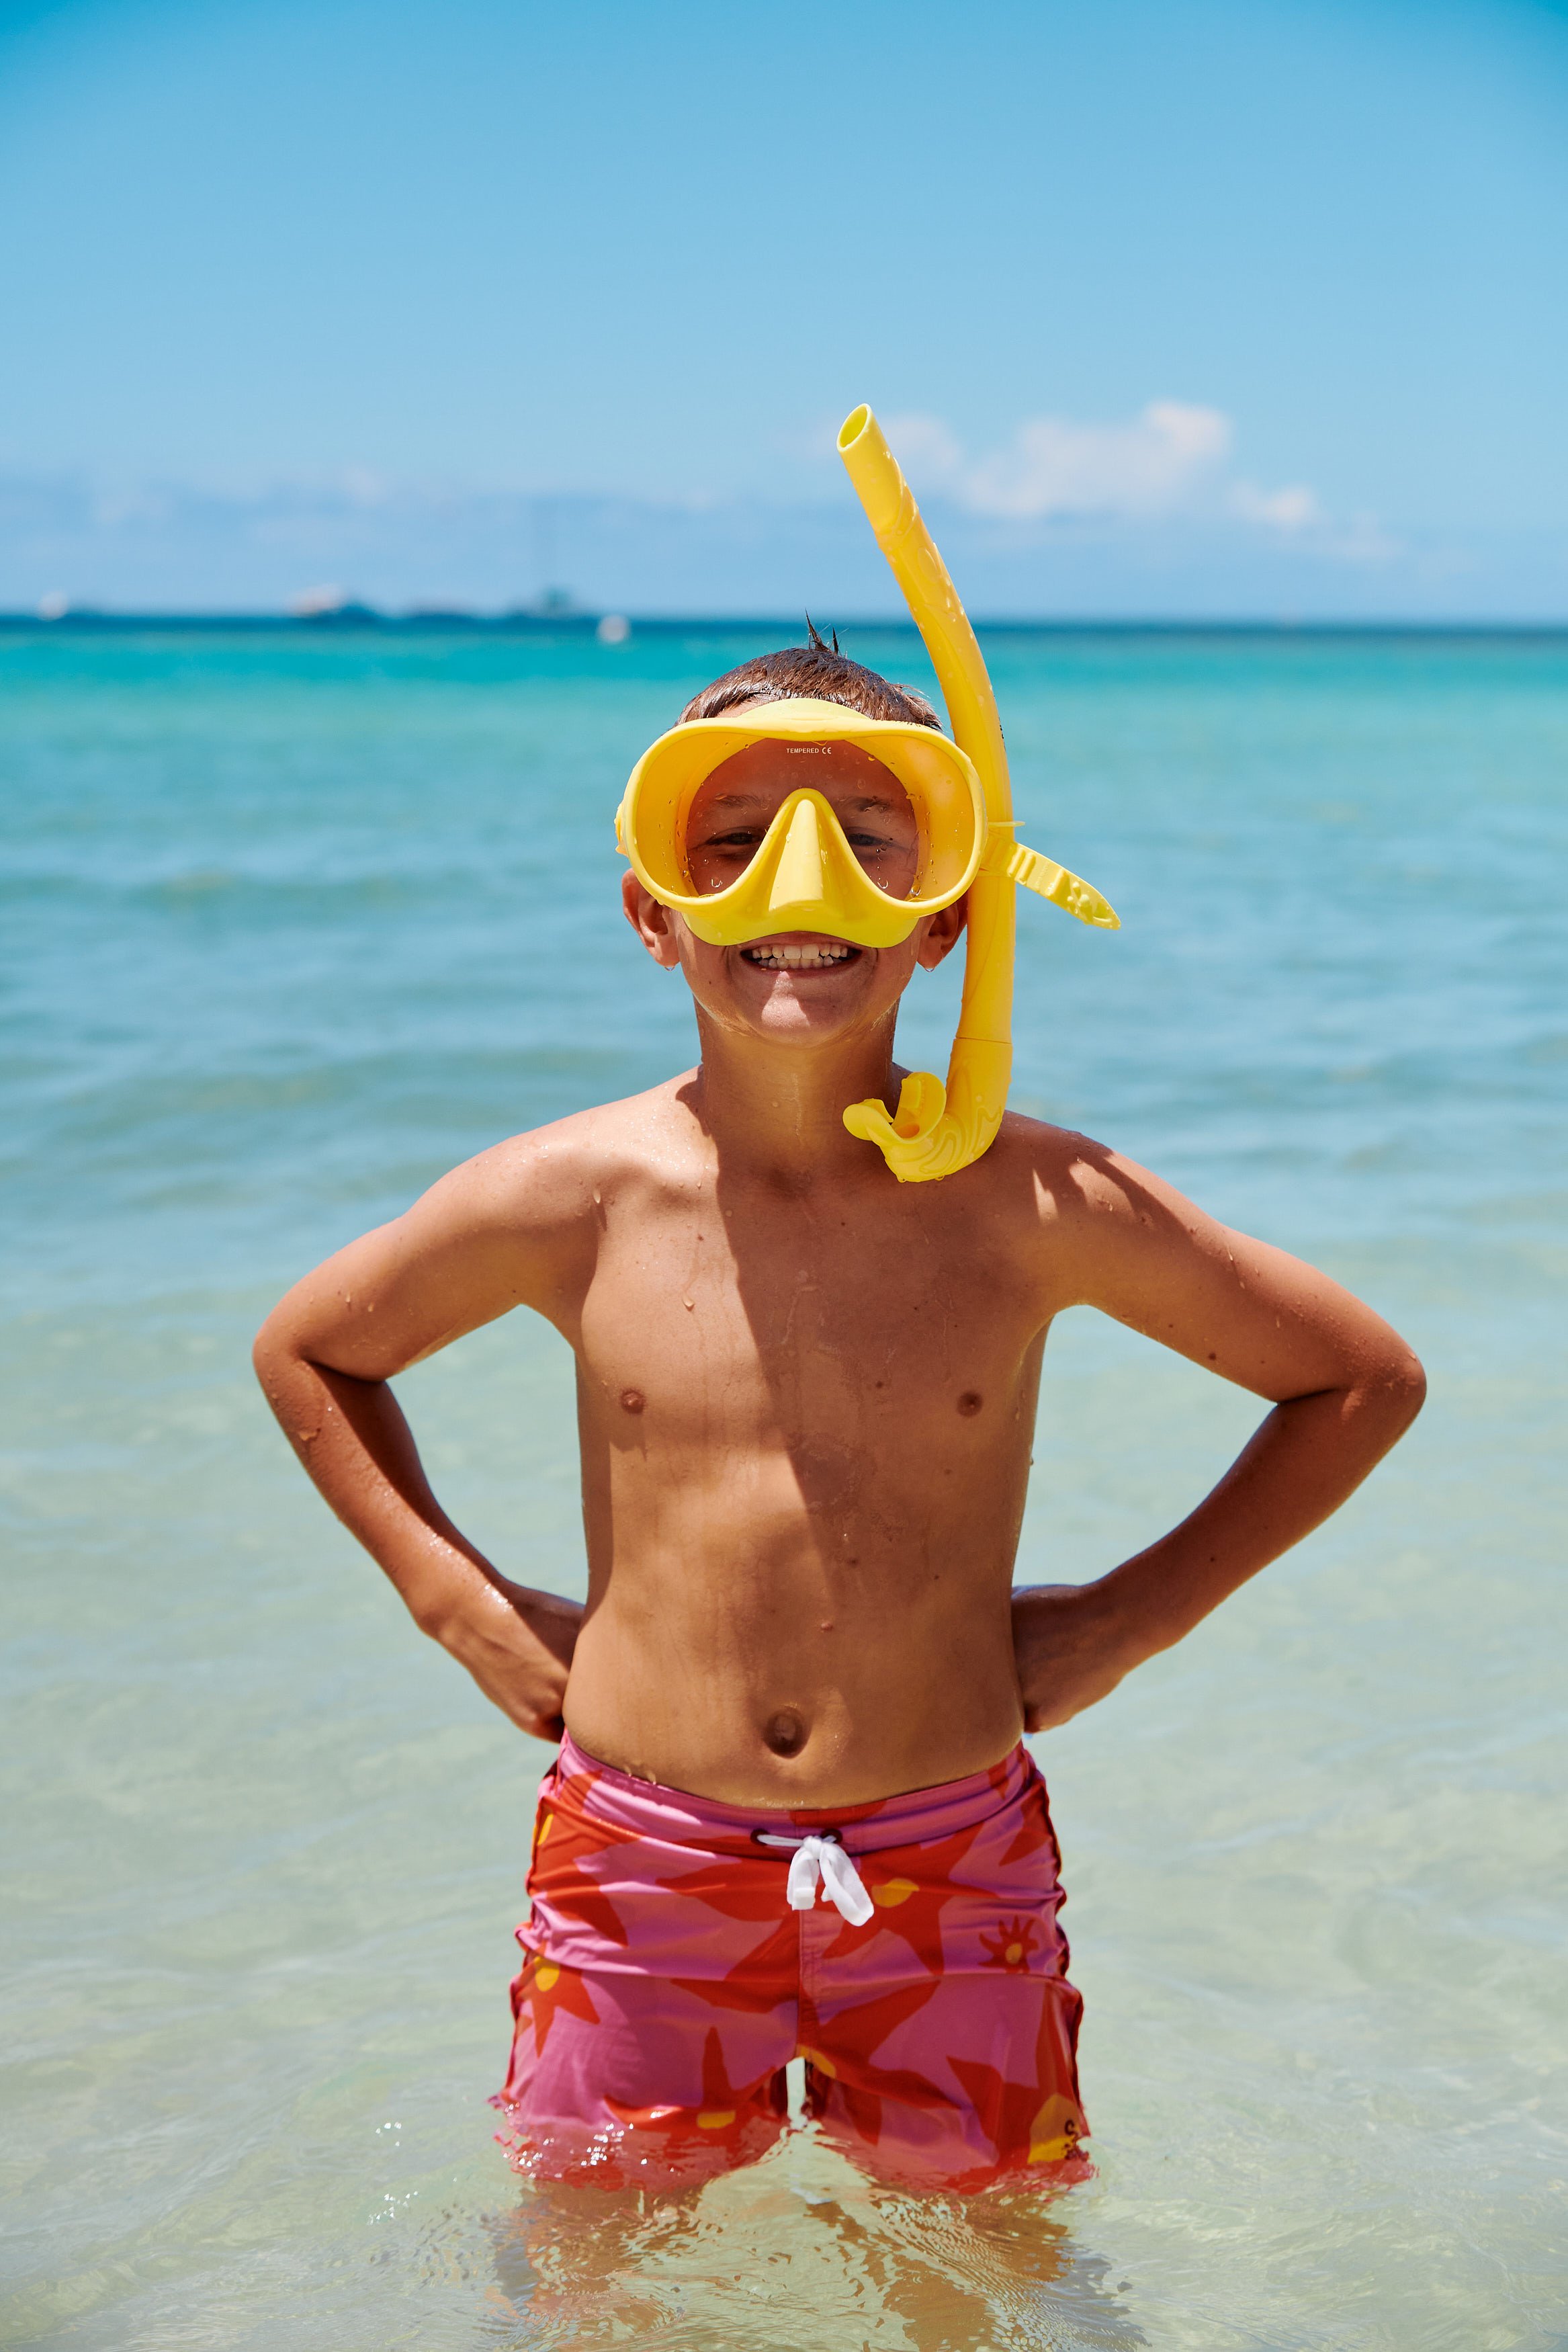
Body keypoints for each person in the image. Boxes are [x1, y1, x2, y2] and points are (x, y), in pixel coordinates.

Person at [253, 635, 1425, 2193]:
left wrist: (1127, 1621)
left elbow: (1357, 1379)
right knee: (616, 2282)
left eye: (867, 845)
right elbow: (311, 1352)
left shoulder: (1033, 1201)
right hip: (640, 1863)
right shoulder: (575, 1195)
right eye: (730, 844)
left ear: (945, 914)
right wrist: (451, 1601)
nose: (794, 891)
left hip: (953, 1861)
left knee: (980, 2269)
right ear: (651, 912)